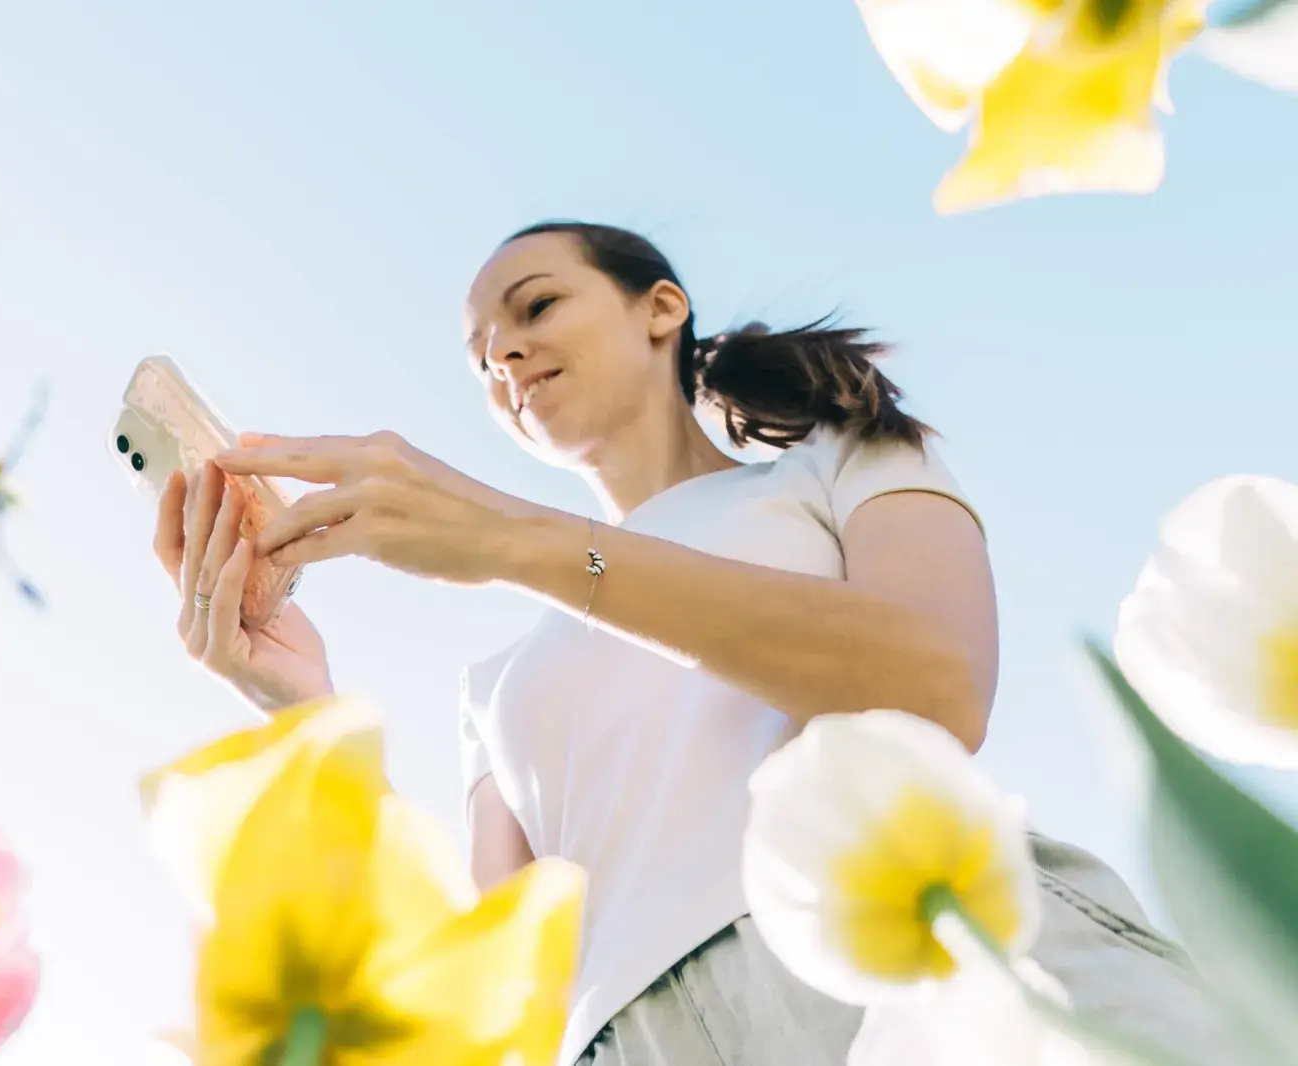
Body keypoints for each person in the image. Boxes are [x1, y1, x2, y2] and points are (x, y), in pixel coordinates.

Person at [152, 222, 1225, 1065]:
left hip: (938, 957)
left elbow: (933, 682)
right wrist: (302, 705)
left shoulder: (838, 466)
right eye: (482, 356)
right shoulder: (498, 686)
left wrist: (512, 540)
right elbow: (499, 990)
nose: (506, 353)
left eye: (535, 307)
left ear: (659, 308)